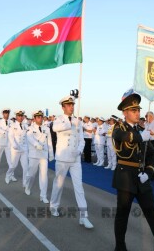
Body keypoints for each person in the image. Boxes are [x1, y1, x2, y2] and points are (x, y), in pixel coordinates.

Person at [112, 92, 154, 251]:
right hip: (125, 177)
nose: (137, 113)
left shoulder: (142, 129)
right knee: (122, 216)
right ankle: (120, 247)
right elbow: (123, 136)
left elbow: (152, 154)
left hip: (142, 178)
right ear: (125, 112)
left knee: (153, 216)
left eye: (138, 110)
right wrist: (141, 136)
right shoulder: (119, 128)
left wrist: (149, 171)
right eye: (133, 110)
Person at [49, 96, 93, 229]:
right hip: (62, 158)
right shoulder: (59, 120)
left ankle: (84, 217)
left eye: (72, 104)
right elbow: (55, 129)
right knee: (59, 185)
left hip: (75, 159)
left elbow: (82, 140)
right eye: (68, 105)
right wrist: (70, 123)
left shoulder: (78, 121)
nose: (71, 107)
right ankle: (53, 206)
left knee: (79, 188)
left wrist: (79, 151)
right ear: (63, 107)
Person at [25, 110, 54, 203]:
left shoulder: (47, 128)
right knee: (31, 174)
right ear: (34, 118)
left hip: (43, 155)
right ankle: (28, 187)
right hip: (34, 155)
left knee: (44, 176)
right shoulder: (30, 128)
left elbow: (49, 142)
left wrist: (51, 154)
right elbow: (30, 138)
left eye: (41, 117)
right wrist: (36, 144)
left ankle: (43, 195)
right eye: (38, 117)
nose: (40, 118)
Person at [6, 110, 28, 185]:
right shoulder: (12, 125)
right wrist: (14, 145)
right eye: (19, 116)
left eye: (21, 116)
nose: (20, 117)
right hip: (16, 148)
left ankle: (25, 182)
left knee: (25, 167)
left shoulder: (26, 125)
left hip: (24, 148)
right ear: (16, 116)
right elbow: (10, 136)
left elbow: (27, 136)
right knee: (13, 165)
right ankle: (8, 175)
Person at [0, 108, 12, 174]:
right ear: (3, 114)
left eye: (7, 113)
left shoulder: (12, 122)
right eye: (5, 113)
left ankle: (11, 174)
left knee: (10, 159)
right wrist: (5, 131)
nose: (6, 114)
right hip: (0, 142)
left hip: (8, 143)